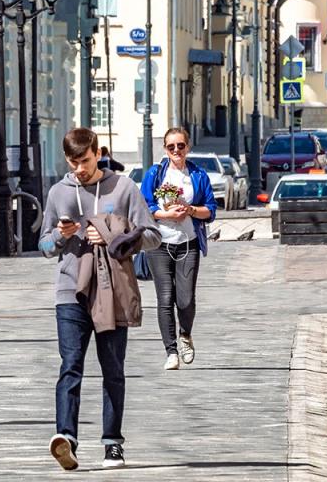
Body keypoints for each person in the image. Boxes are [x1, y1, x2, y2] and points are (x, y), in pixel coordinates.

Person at [39, 127, 161, 471]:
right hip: (70, 290)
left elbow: (150, 235)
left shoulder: (123, 187)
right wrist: (61, 238)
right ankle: (66, 438)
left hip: (110, 291)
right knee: (70, 367)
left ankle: (112, 444)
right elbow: (44, 247)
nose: (80, 168)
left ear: (98, 152)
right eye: (74, 162)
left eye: (86, 160)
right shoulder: (58, 192)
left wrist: (113, 232)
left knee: (113, 370)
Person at [140, 127, 217, 371]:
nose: (176, 151)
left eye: (180, 146)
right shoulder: (156, 173)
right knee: (164, 298)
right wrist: (165, 214)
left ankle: (186, 334)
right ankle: (171, 351)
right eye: (171, 147)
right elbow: (144, 205)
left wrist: (191, 210)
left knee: (185, 300)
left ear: (188, 147)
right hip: (159, 243)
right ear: (165, 149)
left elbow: (211, 210)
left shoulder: (197, 175)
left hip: (188, 242)